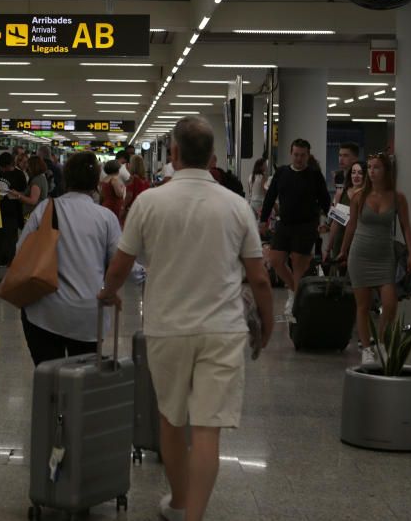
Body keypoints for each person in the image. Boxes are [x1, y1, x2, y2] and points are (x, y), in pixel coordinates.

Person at [99, 117, 273, 521]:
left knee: (172, 420)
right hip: (223, 329)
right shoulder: (236, 205)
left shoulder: (149, 202)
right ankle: (193, 516)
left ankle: (177, 503)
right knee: (208, 429)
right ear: (213, 159)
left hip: (167, 328)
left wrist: (108, 294)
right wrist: (267, 326)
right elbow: (260, 278)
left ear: (173, 155)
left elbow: (120, 265)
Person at [19, 152, 121, 365]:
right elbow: (119, 263)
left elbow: (21, 250)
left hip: (44, 311)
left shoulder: (45, 209)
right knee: (82, 383)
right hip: (89, 314)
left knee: (48, 376)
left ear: (66, 178)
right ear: (96, 183)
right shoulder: (106, 218)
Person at [337, 153, 411, 364]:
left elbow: (406, 227)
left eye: (376, 168)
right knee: (362, 305)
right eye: (369, 168)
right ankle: (367, 349)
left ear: (386, 171)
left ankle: (381, 343)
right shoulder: (359, 196)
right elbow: (351, 225)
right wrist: (342, 250)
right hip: (360, 254)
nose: (371, 172)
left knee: (390, 304)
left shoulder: (398, 198)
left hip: (384, 257)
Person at [259, 139, 331, 322]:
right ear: (291, 154)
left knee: (299, 264)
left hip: (306, 225)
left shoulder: (314, 175)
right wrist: (263, 220)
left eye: (303, 155)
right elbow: (270, 196)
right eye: (296, 154)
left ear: (308, 155)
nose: (299, 158)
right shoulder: (282, 172)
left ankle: (297, 308)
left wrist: (328, 221)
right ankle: (295, 292)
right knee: (275, 260)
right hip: (284, 224)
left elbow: (325, 201)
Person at [0, 152, 27, 282]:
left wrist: (15, 194)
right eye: (2, 168)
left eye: (6, 168)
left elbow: (24, 192)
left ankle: (11, 270)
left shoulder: (19, 175)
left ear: (11, 165)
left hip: (11, 214)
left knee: (11, 244)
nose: (3, 170)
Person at [324, 142, 361, 264]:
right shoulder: (340, 180)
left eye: (345, 155)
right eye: (340, 155)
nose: (341, 159)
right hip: (340, 236)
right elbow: (338, 216)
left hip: (357, 239)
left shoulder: (361, 187)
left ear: (355, 158)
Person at [121, 154, 150, 224]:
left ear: (133, 165)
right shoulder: (145, 180)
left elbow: (129, 195)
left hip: (132, 210)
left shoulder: (133, 179)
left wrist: (123, 207)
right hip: (143, 209)